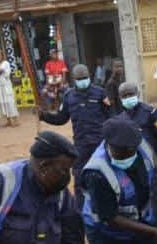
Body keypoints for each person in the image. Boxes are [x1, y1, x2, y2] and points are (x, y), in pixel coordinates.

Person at [39, 64, 111, 206]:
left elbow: (111, 116)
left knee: (105, 175)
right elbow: (61, 118)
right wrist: (44, 116)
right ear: (74, 80)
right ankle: (80, 209)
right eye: (79, 79)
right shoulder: (69, 96)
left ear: (89, 77)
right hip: (81, 145)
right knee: (79, 178)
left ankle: (106, 205)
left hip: (100, 143)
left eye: (85, 78)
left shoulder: (100, 93)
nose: (82, 81)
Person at [117, 81, 157, 241]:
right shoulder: (120, 119)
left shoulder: (150, 113)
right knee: (139, 203)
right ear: (120, 98)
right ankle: (148, 236)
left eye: (131, 94)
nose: (128, 98)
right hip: (133, 169)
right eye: (124, 96)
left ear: (137, 94)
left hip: (155, 167)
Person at [0, 49, 20, 126]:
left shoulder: (6, 63)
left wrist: (1, 70)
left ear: (2, 55)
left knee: (10, 102)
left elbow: (7, 74)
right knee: (2, 103)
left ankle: (15, 120)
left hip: (6, 85)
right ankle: (8, 120)